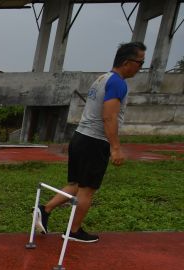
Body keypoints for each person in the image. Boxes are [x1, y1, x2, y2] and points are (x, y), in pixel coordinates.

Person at [36, 41, 146, 243]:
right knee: (88, 190)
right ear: (127, 62)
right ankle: (74, 231)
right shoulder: (117, 83)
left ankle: (45, 209)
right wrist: (115, 148)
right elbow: (109, 117)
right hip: (95, 141)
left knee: (76, 184)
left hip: (80, 137)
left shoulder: (102, 79)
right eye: (140, 63)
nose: (141, 68)